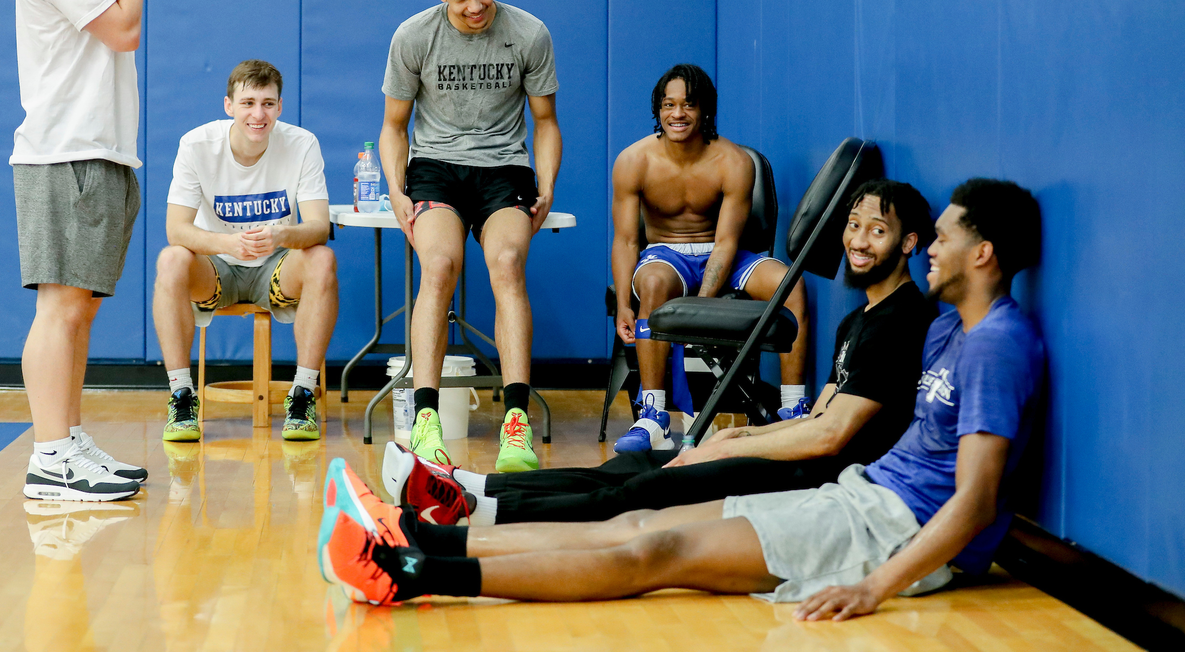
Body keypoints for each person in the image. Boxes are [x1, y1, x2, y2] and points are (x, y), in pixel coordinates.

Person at [322, 179, 1045, 621]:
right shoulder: (948, 327)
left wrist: (877, 586)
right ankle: (417, 537)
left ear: (983, 253)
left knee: (652, 547)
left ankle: (411, 571)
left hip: (884, 528)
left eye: (942, 238)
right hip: (856, 495)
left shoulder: (997, 345)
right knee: (636, 519)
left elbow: (977, 500)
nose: (930, 250)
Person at [380, 179, 937, 526]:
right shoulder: (857, 320)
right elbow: (819, 417)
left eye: (877, 231)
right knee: (632, 464)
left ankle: (474, 512)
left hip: (814, 483)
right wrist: (735, 437)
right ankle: (469, 485)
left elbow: (830, 438)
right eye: (854, 226)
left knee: (645, 488)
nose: (858, 241)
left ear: (909, 243)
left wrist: (730, 449)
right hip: (794, 456)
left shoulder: (902, 322)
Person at [378, 0, 562, 472]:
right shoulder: (413, 37)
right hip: (435, 168)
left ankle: (516, 424)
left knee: (506, 263)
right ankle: (426, 420)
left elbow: (546, 121)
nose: (475, 5)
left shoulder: (529, 33)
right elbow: (393, 126)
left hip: (504, 169)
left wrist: (547, 181)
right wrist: (396, 188)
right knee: (438, 266)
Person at [14, 0, 150, 502]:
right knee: (60, 308)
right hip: (64, 151)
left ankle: (66, 438)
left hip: (101, 149)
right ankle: (49, 457)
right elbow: (124, 30)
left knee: (80, 312)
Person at [610, 65, 810, 453]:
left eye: (688, 104)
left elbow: (726, 241)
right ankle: (653, 416)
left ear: (705, 110)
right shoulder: (634, 160)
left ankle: (794, 411)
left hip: (724, 252)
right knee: (652, 283)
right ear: (658, 109)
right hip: (666, 254)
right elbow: (626, 240)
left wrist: (701, 305)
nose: (677, 114)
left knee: (791, 284)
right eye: (668, 104)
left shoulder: (733, 160)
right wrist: (622, 305)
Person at [153, 60, 336, 442]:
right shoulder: (197, 145)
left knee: (322, 258)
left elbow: (320, 226)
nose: (258, 114)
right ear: (229, 106)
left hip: (276, 267)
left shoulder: (302, 143)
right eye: (248, 103)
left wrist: (282, 234)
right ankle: (181, 396)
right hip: (217, 268)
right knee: (171, 259)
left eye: (268, 104)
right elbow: (176, 229)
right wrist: (228, 244)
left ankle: (302, 394)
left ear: (280, 107)